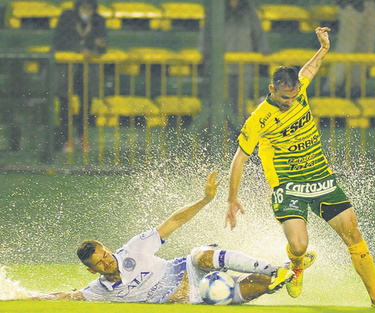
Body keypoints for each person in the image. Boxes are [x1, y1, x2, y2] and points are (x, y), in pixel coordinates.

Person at [225, 27, 375, 308]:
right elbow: (239, 158)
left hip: (320, 178)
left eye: (294, 97)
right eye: (285, 98)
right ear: (272, 90)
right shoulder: (259, 119)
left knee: (354, 235)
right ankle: (296, 265)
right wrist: (232, 198)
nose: (290, 102)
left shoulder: (300, 88)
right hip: (287, 184)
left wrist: (323, 48)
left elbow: (310, 68)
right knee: (299, 246)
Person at [31, 172, 304, 304]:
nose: (108, 261)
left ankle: (276, 267)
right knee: (248, 288)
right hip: (194, 296)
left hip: (187, 268)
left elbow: (174, 221)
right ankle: (286, 277)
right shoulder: (101, 291)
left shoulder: (133, 249)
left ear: (107, 248)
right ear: (92, 270)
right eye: (101, 263)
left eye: (106, 254)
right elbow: (69, 296)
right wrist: (27, 296)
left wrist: (206, 199)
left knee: (200, 254)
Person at [198, 0, 271, 130]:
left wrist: (263, 49)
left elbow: (257, 30)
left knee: (239, 104)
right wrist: (205, 53)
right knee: (219, 102)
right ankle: (217, 137)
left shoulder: (248, 9)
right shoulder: (216, 9)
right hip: (220, 64)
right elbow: (206, 33)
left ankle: (239, 138)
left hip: (244, 64)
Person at [52, 0, 107, 152]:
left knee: (87, 101)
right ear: (78, 7)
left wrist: (98, 46)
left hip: (87, 68)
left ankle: (81, 135)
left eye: (90, 8)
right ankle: (65, 138)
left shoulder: (99, 20)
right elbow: (58, 39)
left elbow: (103, 44)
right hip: (67, 66)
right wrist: (79, 49)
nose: (86, 11)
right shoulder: (67, 17)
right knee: (65, 101)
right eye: (84, 7)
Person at [322, 0, 375, 99]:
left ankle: (355, 88)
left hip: (371, 4)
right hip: (351, 4)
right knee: (346, 47)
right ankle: (331, 88)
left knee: (365, 49)